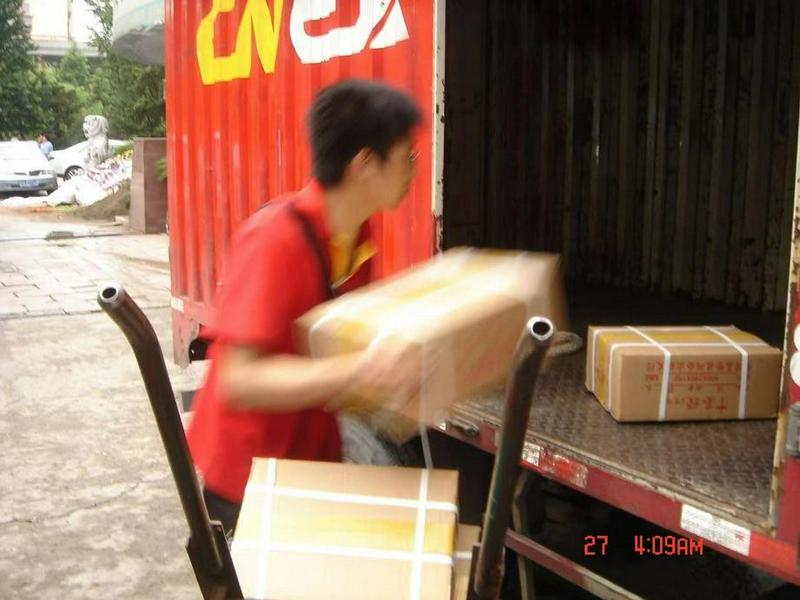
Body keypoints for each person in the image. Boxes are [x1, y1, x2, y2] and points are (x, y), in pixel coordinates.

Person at [186, 79, 424, 534]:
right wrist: (361, 370)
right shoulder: (276, 238)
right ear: (365, 164)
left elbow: (332, 348)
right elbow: (241, 379)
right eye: (406, 158)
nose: (414, 171)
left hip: (306, 465)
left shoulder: (357, 238)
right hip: (248, 481)